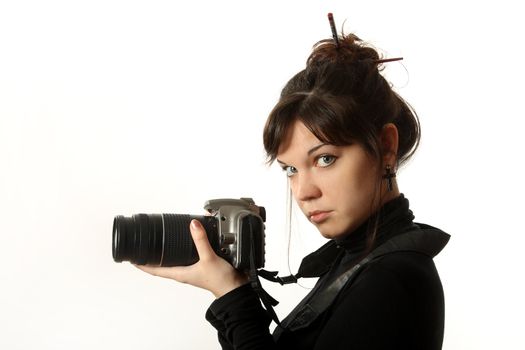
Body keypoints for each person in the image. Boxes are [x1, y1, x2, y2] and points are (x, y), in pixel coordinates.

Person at [136, 23, 450, 350]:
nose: (303, 192)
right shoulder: (358, 261)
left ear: (386, 146)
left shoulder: (390, 278)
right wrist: (232, 288)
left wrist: (233, 297)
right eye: (290, 169)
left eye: (325, 159)